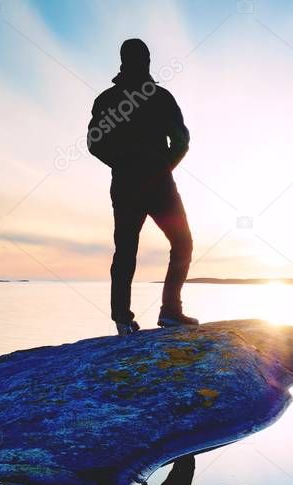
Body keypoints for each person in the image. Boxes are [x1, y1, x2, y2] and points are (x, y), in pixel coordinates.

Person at [88, 38, 199, 335]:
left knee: (127, 250)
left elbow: (94, 144)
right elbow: (181, 142)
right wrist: (162, 167)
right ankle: (167, 312)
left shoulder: (108, 100)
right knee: (180, 243)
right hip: (157, 184)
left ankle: (126, 319)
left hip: (130, 185)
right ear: (145, 61)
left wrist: (122, 165)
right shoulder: (159, 97)